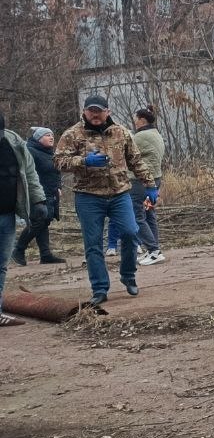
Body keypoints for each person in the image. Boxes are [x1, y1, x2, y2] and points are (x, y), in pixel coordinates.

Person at [54, 95, 156, 307]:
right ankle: (100, 288)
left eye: (99, 110)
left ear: (107, 111)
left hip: (119, 193)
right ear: (84, 112)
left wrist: (151, 185)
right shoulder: (73, 134)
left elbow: (135, 161)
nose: (95, 114)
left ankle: (128, 275)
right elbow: (58, 161)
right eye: (91, 110)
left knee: (130, 232)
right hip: (88, 196)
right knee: (93, 245)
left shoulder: (121, 132)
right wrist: (83, 161)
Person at [0, 108, 49, 326]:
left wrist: (38, 201)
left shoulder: (13, 142)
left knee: (1, 264)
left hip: (7, 214)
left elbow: (29, 172)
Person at [108, 107, 167, 265]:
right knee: (149, 214)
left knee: (137, 216)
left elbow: (123, 148)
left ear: (142, 120)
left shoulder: (141, 136)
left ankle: (154, 250)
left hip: (141, 182)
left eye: (135, 118)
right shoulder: (155, 134)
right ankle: (153, 249)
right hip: (154, 181)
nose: (134, 121)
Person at [12, 127, 64, 266]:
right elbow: (25, 172)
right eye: (47, 135)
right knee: (38, 221)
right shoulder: (31, 151)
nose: (51, 137)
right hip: (36, 192)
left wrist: (58, 186)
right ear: (38, 138)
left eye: (52, 135)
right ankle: (18, 250)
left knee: (45, 221)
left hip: (50, 191)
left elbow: (57, 171)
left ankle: (45, 254)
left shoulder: (50, 153)